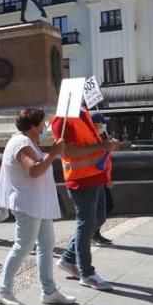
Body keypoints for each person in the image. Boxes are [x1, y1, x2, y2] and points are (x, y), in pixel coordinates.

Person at [0, 108, 74, 305]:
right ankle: (3, 290)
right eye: (42, 123)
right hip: (28, 204)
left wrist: (51, 153)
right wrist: (54, 153)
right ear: (33, 125)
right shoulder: (21, 143)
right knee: (23, 246)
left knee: (46, 246)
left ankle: (49, 290)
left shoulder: (27, 142)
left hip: (37, 203)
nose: (45, 126)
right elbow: (34, 170)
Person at [53, 105, 119, 290]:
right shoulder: (63, 118)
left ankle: (68, 259)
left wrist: (106, 146)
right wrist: (102, 146)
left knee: (98, 218)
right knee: (87, 223)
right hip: (81, 179)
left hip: (94, 176)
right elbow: (67, 152)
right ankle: (87, 273)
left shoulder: (82, 114)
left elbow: (91, 144)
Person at [90, 111, 116, 246]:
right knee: (103, 208)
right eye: (101, 123)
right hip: (98, 179)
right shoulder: (93, 139)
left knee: (106, 206)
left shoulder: (100, 138)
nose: (103, 126)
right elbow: (99, 159)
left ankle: (95, 233)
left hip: (102, 178)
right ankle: (91, 234)